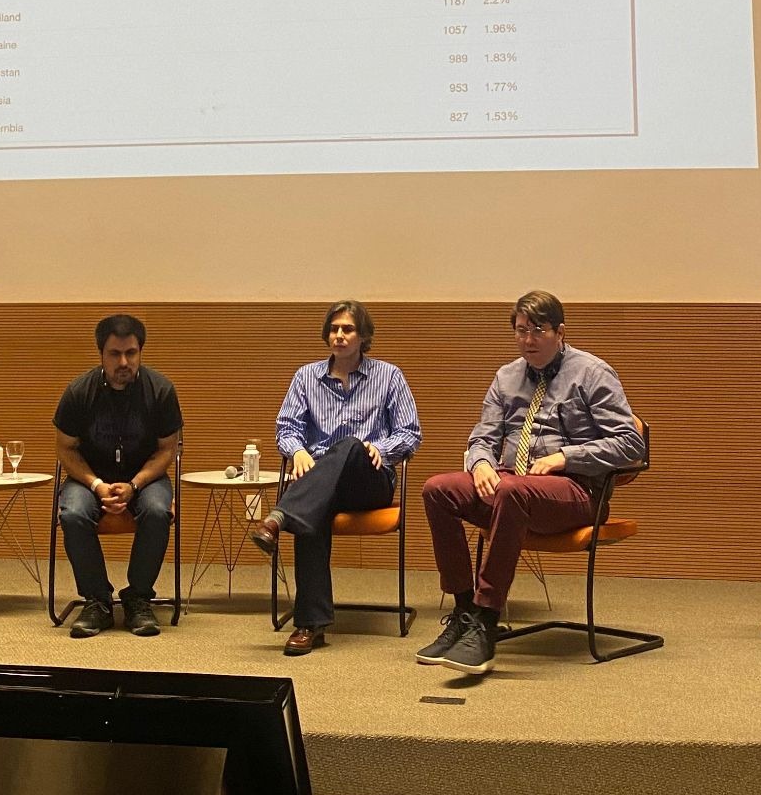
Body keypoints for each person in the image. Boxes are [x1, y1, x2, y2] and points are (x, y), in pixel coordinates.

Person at [417, 290, 645, 678]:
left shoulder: (592, 372)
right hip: (513, 485)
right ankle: (465, 613)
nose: (528, 340)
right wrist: (482, 464)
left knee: (511, 492)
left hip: (577, 491)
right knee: (438, 488)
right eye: (521, 331)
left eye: (537, 330)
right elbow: (482, 436)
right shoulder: (506, 376)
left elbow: (631, 443)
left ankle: (487, 620)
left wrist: (566, 456)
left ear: (560, 331)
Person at [247, 300, 422, 657]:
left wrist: (383, 449)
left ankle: (279, 517)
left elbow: (410, 433)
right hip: (319, 483)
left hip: (369, 481)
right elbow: (286, 428)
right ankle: (309, 625)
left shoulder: (389, 376)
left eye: (348, 329)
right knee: (314, 507)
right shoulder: (305, 377)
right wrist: (295, 450)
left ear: (363, 336)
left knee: (349, 446)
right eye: (334, 329)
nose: (339, 336)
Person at [53, 312, 183, 638]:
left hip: (145, 478)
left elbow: (167, 450)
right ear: (101, 354)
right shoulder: (78, 392)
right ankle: (97, 601)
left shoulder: (161, 390)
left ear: (140, 352)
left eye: (131, 353)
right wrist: (97, 486)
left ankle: (138, 597)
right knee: (72, 513)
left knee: (156, 510)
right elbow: (66, 449)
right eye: (115, 354)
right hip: (90, 478)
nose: (124, 361)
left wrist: (135, 484)